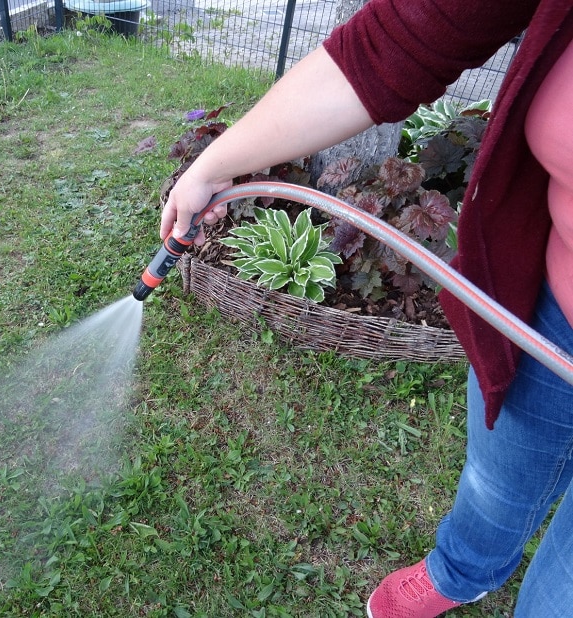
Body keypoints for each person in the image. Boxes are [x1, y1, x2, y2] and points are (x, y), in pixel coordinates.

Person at [159, 1, 573, 616]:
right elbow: (396, 40)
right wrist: (215, 164)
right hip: (552, 313)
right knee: (498, 477)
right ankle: (463, 570)